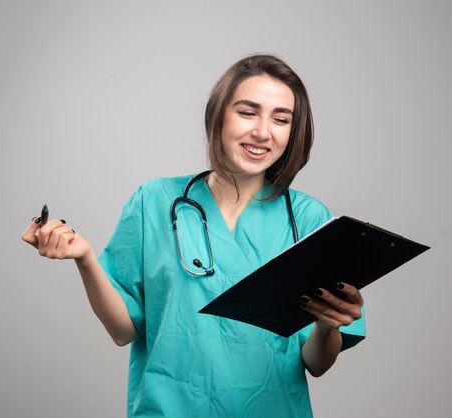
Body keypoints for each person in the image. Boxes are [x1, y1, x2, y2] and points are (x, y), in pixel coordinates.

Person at [21, 54, 365, 418]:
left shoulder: (310, 221)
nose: (263, 132)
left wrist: (328, 327)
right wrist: (85, 258)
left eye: (281, 119)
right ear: (218, 116)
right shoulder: (154, 201)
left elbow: (315, 362)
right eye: (248, 112)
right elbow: (122, 330)